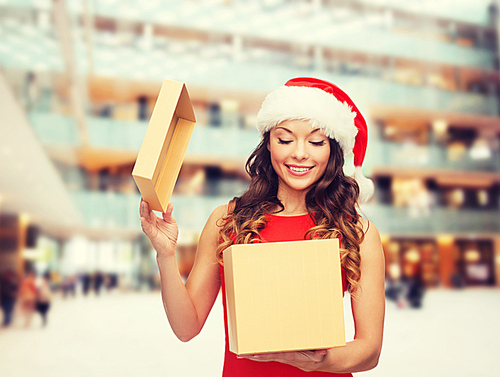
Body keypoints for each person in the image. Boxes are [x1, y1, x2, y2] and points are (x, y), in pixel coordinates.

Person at [140, 77, 385, 376]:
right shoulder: (228, 221)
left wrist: (314, 361)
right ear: (268, 143)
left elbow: (370, 350)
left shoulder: (357, 233)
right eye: (285, 139)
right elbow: (186, 327)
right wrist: (165, 256)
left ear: (333, 150)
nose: (300, 153)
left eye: (316, 141)